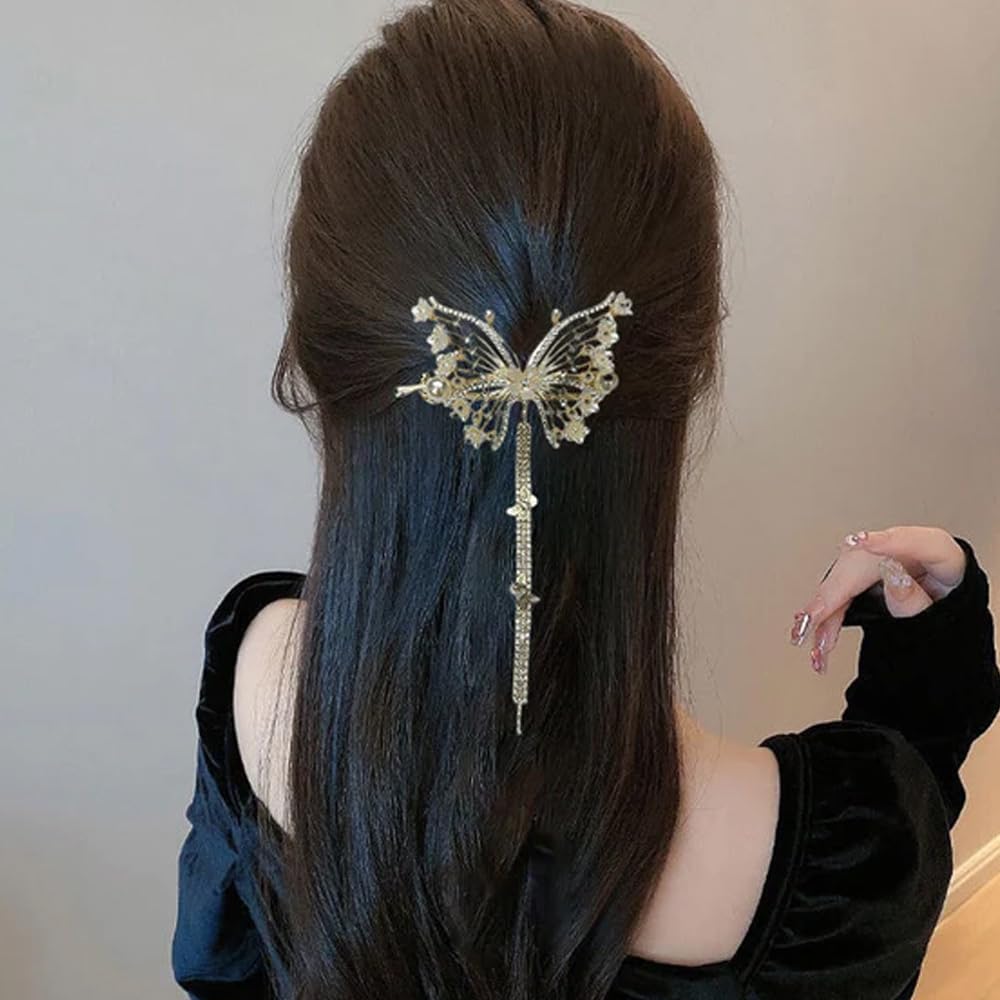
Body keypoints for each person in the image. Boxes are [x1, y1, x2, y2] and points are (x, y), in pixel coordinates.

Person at [170, 2, 1000, 998]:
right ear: (689, 367)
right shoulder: (833, 862)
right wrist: (928, 668)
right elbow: (894, 853)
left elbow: (219, 972)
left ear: (316, 363)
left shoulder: (256, 669)